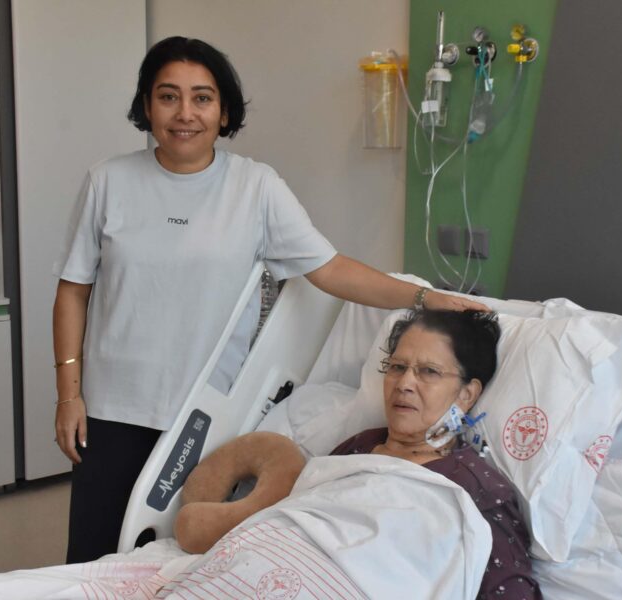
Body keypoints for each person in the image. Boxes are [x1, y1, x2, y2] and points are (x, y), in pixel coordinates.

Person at [52, 36, 485, 564]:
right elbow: (73, 290)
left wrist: (424, 296)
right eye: (168, 97)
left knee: (182, 562)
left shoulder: (255, 187)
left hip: (204, 415)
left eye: (202, 98)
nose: (185, 113)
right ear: (147, 105)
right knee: (91, 559)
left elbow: (330, 268)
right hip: (112, 407)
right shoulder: (107, 182)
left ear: (224, 110)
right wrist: (69, 396)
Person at [331, 309, 542, 599]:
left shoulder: (478, 492)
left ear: (466, 395)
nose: (404, 384)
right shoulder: (359, 445)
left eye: (429, 371)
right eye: (397, 367)